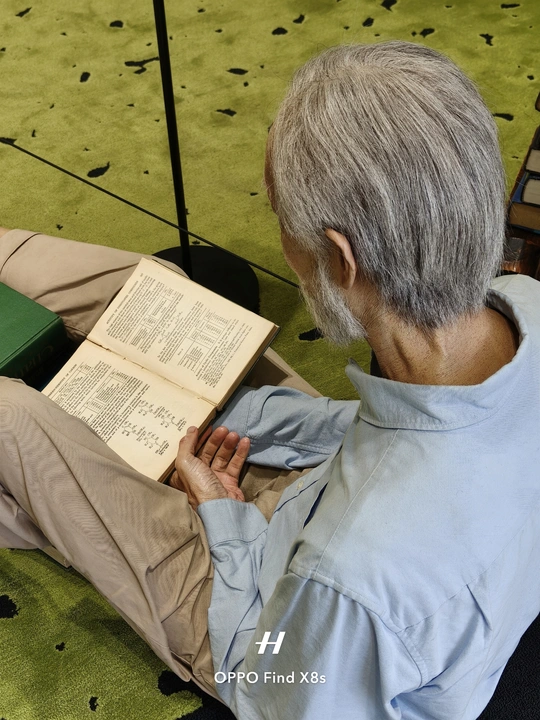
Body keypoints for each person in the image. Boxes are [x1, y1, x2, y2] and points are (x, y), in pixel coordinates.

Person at [1, 39, 539, 719]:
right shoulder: (524, 304)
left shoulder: (349, 578)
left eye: (280, 218)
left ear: (340, 259)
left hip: (264, 633)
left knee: (11, 418)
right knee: (156, 291)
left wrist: (224, 520)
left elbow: (270, 688)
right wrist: (262, 421)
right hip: (333, 500)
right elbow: (404, 433)